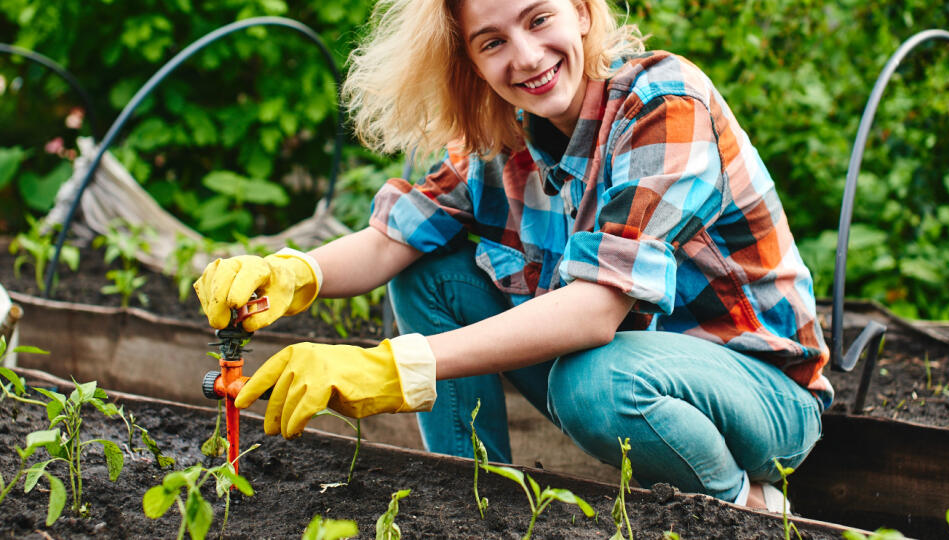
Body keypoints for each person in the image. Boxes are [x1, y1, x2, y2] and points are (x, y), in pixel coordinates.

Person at [193, 0, 832, 511]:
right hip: (624, 383)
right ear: (470, 61)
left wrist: (394, 368)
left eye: (538, 19)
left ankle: (742, 507)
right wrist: (293, 272)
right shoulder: (503, 135)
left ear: (582, 12)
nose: (526, 57)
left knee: (594, 381)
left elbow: (592, 314)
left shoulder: (663, 103)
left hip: (762, 397)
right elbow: (394, 239)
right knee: (429, 270)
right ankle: (472, 502)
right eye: (492, 41)